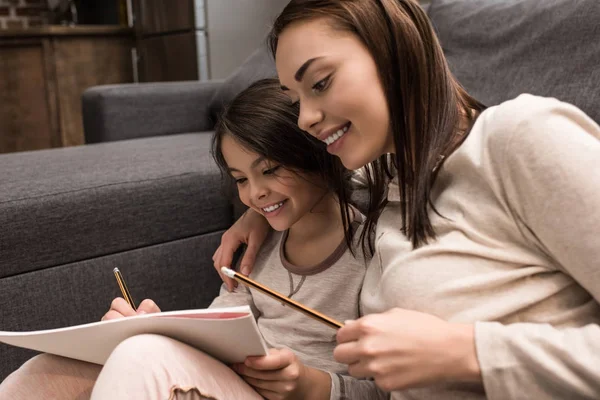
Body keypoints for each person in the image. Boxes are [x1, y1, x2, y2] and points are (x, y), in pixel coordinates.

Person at [212, 1, 600, 399]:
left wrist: (468, 354)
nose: (305, 119)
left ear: (395, 52)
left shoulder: (520, 140)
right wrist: (259, 212)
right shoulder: (388, 181)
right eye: (295, 102)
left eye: (321, 82)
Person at [0, 79, 386, 400]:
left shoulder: (373, 253)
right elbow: (221, 326)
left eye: (270, 170)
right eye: (240, 180)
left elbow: (389, 390)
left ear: (317, 150)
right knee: (53, 368)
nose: (255, 193)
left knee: (142, 357)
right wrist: (160, 328)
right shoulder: (256, 246)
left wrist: (311, 386)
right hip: (235, 382)